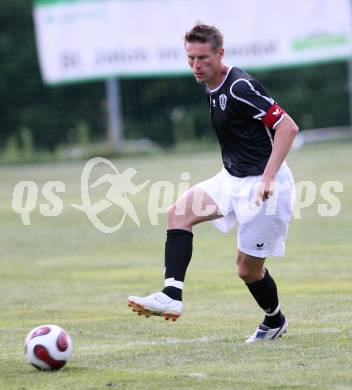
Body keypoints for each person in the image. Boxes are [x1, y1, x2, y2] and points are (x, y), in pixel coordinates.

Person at [128, 24, 298, 342]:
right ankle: (171, 294)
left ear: (220, 54)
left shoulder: (240, 87)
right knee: (178, 213)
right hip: (231, 179)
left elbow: (287, 127)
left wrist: (269, 176)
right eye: (190, 58)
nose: (195, 65)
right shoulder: (211, 84)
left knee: (247, 270)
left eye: (202, 58)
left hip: (263, 188)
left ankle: (274, 321)